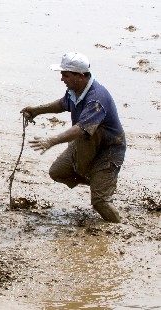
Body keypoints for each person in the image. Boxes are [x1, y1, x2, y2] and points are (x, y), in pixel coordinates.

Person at [20, 52, 126, 223]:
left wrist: (51, 140)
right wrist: (36, 110)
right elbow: (63, 104)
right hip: (85, 146)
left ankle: (119, 228)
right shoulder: (74, 91)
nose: (62, 79)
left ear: (81, 76)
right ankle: (100, 184)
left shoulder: (96, 100)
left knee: (100, 202)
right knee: (57, 172)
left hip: (108, 151)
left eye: (65, 75)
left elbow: (82, 128)